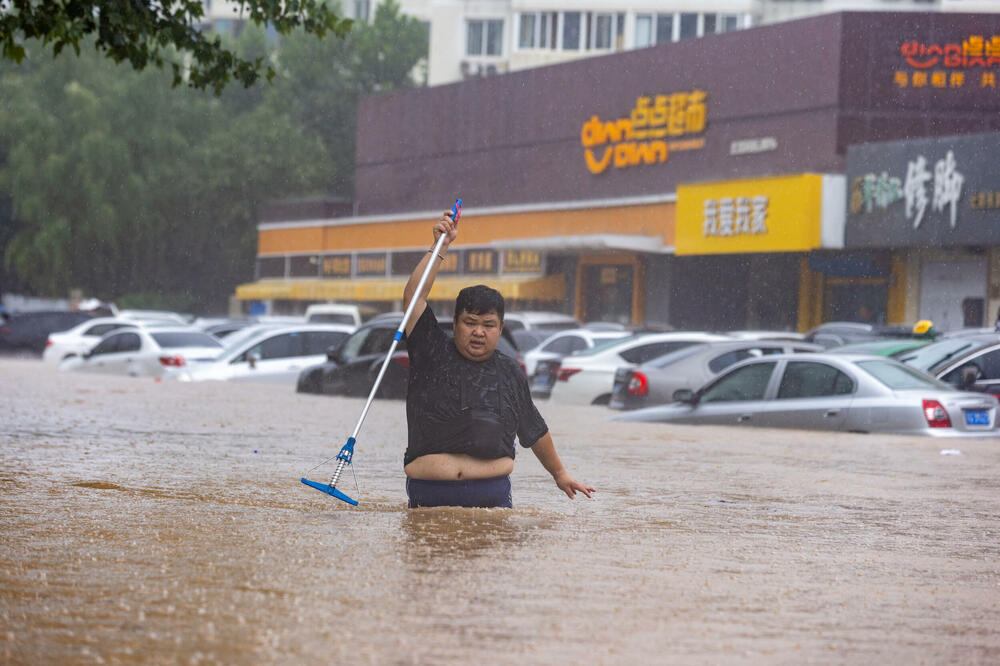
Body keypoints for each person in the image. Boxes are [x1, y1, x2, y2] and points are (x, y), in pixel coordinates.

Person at [401, 209, 595, 508]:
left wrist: (559, 474)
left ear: (500, 328)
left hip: (491, 500)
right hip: (429, 497)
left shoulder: (508, 371)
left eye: (488, 325)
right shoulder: (430, 350)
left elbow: (533, 428)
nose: (478, 332)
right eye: (470, 323)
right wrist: (439, 246)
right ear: (454, 323)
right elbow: (415, 297)